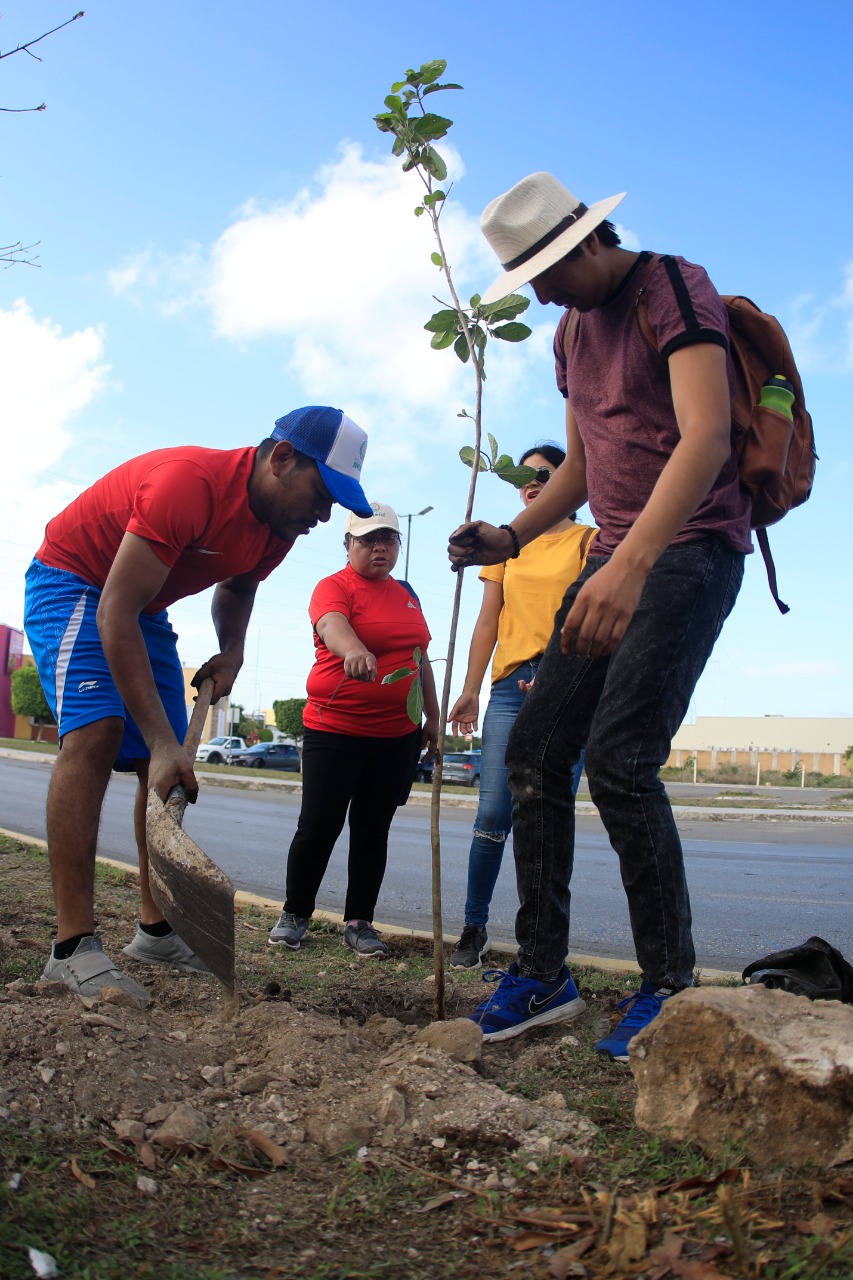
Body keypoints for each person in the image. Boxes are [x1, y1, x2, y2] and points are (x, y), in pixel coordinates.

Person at [449, 172, 751, 1057]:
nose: (541, 293)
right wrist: (509, 535)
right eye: (527, 279)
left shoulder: (670, 287)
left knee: (620, 762)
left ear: (586, 241)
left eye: (547, 271)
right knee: (537, 750)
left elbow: (706, 436)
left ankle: (668, 986)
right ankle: (543, 972)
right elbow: (579, 471)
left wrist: (630, 562)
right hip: (612, 558)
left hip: (687, 550)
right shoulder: (569, 331)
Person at [24, 405, 373, 1003]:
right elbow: (113, 610)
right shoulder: (187, 484)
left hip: (143, 606)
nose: (323, 516)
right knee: (98, 733)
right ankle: (71, 947)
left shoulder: (279, 527)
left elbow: (237, 586)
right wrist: (162, 741)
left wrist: (232, 651)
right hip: (78, 581)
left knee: (160, 771)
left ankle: (156, 930)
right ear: (281, 458)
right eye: (321, 494)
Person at [447, 444, 596, 970]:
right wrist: (471, 688)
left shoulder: (589, 541)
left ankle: (543, 947)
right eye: (522, 477)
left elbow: (589, 613)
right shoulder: (506, 545)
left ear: (570, 480)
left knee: (549, 818)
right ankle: (473, 927)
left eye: (544, 474)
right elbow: (488, 620)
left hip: (563, 684)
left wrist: (557, 673)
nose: (531, 483)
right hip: (509, 689)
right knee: (493, 813)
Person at [269, 502, 439, 958]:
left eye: (388, 539)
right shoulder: (334, 586)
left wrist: (433, 719)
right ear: (348, 545)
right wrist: (354, 650)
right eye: (367, 540)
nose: (379, 547)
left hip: (397, 736)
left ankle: (360, 922)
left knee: (372, 829)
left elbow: (420, 659)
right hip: (335, 729)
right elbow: (332, 624)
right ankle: (295, 914)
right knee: (319, 825)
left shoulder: (408, 595)